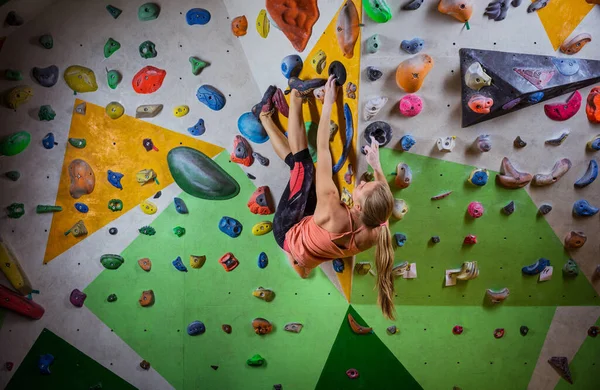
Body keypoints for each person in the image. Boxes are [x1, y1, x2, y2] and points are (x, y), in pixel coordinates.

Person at [257, 75, 396, 319]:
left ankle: (296, 96)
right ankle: (265, 116)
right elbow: (383, 197)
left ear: (360, 208)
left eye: (363, 187)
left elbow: (322, 148)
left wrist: (328, 101)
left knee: (303, 166)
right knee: (299, 167)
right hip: (313, 237)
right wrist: (376, 166)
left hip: (287, 231)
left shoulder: (332, 206)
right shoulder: (377, 230)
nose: (362, 182)